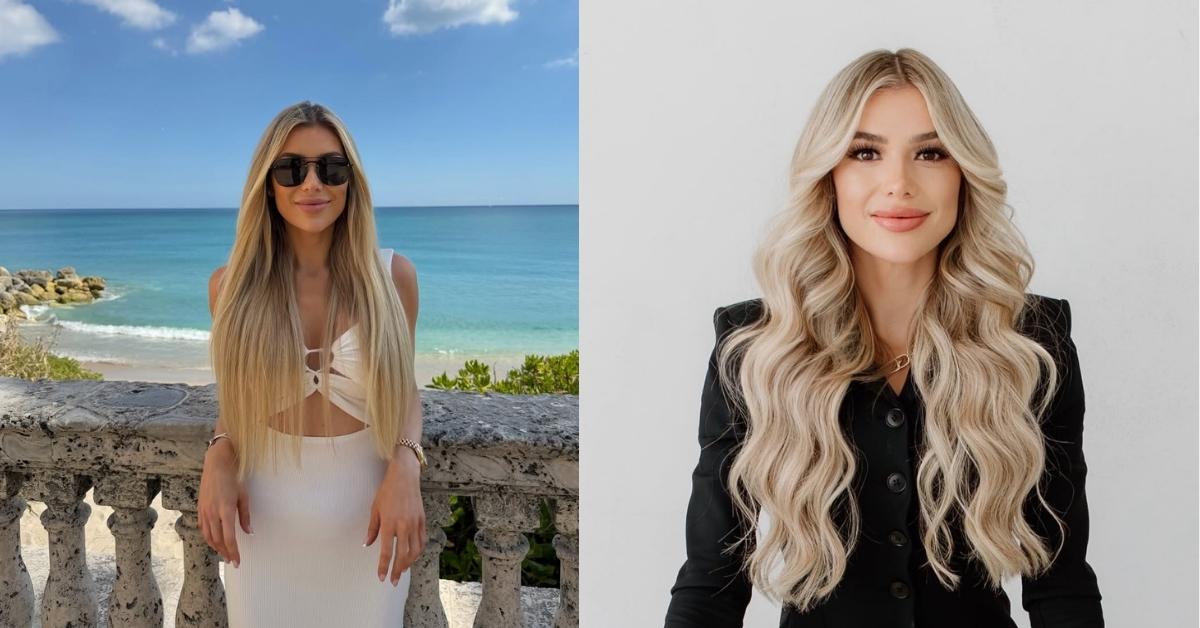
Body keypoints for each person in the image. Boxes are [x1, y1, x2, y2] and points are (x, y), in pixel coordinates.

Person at [665, 49, 1104, 628]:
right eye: (865, 152)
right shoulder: (755, 347)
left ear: (963, 174)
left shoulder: (1029, 344)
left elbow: (1061, 583)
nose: (898, 184)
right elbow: (712, 584)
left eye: (930, 153)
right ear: (829, 176)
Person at [198, 101, 426, 627]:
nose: (311, 184)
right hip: (264, 527)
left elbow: (405, 389)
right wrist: (218, 454)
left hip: (369, 527)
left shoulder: (394, 278)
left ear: (352, 181)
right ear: (268, 184)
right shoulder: (230, 288)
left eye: (331, 167)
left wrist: (406, 464)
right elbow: (235, 402)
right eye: (291, 169)